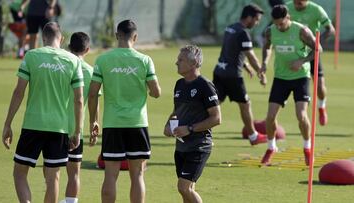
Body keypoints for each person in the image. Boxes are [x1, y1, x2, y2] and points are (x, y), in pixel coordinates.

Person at [2, 22, 84, 203]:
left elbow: (18, 92)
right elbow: (79, 100)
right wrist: (77, 131)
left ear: (42, 37)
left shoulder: (31, 56)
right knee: (53, 178)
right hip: (59, 128)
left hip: (33, 125)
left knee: (19, 173)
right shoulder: (73, 61)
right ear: (61, 39)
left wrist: (7, 123)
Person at [88, 19, 161, 203]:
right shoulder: (145, 60)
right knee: (137, 175)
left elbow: (92, 94)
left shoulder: (103, 59)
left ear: (116, 35)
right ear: (135, 37)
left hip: (113, 124)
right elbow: (156, 92)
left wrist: (93, 121)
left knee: (110, 175)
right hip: (137, 123)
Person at [260, 5, 321, 166]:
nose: (278, 27)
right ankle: (271, 147)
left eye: (281, 23)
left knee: (301, 115)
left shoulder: (301, 31)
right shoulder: (270, 31)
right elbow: (267, 47)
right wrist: (264, 64)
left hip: (300, 77)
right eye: (276, 23)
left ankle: (307, 147)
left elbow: (318, 49)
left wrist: (302, 61)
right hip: (280, 78)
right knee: (270, 117)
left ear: (288, 18)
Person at [164, 45, 221, 203]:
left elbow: (216, 118)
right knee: (186, 192)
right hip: (181, 147)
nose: (176, 63)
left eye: (180, 60)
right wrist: (169, 125)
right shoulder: (179, 84)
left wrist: (189, 129)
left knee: (184, 187)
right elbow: (177, 111)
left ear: (194, 62)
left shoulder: (205, 86)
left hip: (199, 146)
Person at [213, 4, 267, 145]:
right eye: (256, 19)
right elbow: (251, 56)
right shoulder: (243, 33)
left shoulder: (230, 28)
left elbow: (231, 51)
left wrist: (246, 66)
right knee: (245, 104)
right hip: (232, 76)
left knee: (214, 104)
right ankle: (253, 136)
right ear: (249, 17)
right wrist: (260, 73)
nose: (257, 23)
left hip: (219, 71)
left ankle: (200, 134)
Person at [61, 32, 99, 203]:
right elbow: (93, 101)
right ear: (88, 49)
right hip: (76, 128)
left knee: (51, 170)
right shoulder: (91, 71)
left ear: (69, 47)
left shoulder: (60, 66)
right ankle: (71, 201)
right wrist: (93, 123)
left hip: (54, 126)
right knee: (74, 172)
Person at [287, 0, 335, 126]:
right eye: (295, 2)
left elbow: (330, 30)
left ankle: (322, 106)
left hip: (312, 52)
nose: (297, 4)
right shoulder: (287, 8)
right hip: (294, 53)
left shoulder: (316, 9)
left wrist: (317, 42)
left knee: (319, 86)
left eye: (300, 2)